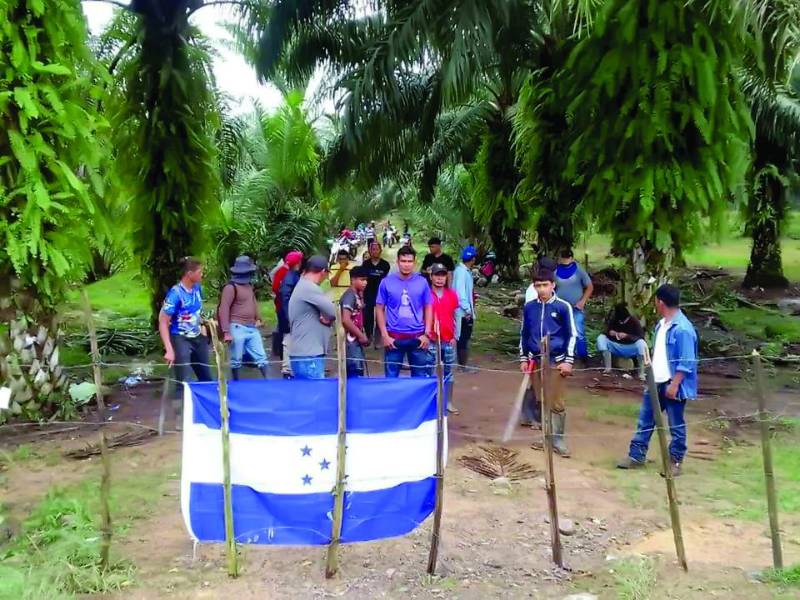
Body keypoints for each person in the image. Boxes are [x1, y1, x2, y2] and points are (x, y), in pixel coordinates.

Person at [617, 285, 698, 477]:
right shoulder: (661, 325)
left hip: (672, 384)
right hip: (656, 381)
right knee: (645, 420)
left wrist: (675, 384)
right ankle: (636, 455)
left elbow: (687, 361)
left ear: (660, 302)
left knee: (676, 424)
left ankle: (675, 461)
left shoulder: (683, 329)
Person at [519, 269, 576, 457]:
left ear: (552, 285)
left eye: (545, 285)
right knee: (541, 399)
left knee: (557, 402)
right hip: (535, 360)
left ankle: (557, 439)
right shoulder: (529, 307)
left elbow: (572, 334)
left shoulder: (562, 307)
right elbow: (524, 333)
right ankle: (546, 436)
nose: (542, 289)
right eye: (538, 286)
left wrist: (568, 361)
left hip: (556, 361)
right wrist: (524, 357)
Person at [159, 257, 213, 428]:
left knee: (206, 375)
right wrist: (169, 349)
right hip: (180, 337)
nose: (202, 274)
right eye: (199, 272)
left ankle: (208, 412)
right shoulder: (175, 294)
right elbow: (162, 321)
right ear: (190, 274)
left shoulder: (197, 289)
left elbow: (195, 312)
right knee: (184, 379)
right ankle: (182, 418)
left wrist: (204, 325)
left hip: (197, 337)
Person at [376, 245, 433, 377]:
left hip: (418, 338)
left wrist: (427, 333)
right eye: (403, 261)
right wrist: (384, 335)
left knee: (419, 378)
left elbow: (428, 307)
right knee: (391, 378)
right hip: (393, 339)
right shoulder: (386, 282)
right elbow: (379, 309)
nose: (406, 265)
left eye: (409, 261)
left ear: (415, 263)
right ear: (397, 262)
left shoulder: (422, 282)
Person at [218, 256, 268, 379]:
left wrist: (258, 317)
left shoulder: (248, 286)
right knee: (236, 358)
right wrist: (226, 332)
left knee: (261, 357)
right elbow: (223, 309)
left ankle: (269, 382)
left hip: (251, 327)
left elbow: (252, 302)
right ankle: (236, 382)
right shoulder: (230, 288)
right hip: (237, 326)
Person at [288, 255, 337, 380]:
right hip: (309, 355)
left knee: (304, 394)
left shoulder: (302, 285)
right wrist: (329, 318)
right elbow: (334, 311)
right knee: (314, 395)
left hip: (304, 353)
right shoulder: (309, 288)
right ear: (322, 272)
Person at [429, 263, 460, 413]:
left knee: (448, 371)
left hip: (448, 338)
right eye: (437, 275)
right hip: (431, 338)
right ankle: (430, 402)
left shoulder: (452, 294)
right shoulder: (426, 294)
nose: (440, 279)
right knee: (429, 370)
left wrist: (456, 335)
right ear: (431, 276)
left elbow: (456, 315)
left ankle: (448, 402)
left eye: (442, 275)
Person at [554, 249, 593, 359]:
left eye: (568, 257)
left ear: (572, 258)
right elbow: (552, 287)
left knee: (578, 332)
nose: (566, 260)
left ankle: (582, 356)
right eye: (564, 257)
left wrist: (583, 301)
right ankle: (564, 355)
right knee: (561, 330)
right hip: (561, 307)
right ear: (560, 258)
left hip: (576, 307)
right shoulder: (555, 272)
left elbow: (589, 287)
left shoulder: (579, 270)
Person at [597, 303, 647, 380]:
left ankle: (641, 372)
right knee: (601, 338)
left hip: (631, 347)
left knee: (641, 344)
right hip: (616, 346)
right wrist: (611, 333)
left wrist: (627, 336)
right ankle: (608, 368)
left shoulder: (634, 321)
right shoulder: (614, 320)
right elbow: (606, 332)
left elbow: (640, 336)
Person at [271, 250, 303, 360]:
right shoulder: (285, 273)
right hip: (283, 306)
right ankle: (283, 356)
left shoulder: (286, 272)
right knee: (286, 332)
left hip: (283, 305)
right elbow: (276, 288)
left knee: (283, 330)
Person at [340, 265, 370, 377]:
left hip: (355, 340)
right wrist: (361, 336)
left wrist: (361, 296)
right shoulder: (349, 296)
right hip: (350, 341)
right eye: (362, 280)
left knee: (359, 369)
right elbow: (346, 320)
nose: (365, 283)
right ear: (352, 279)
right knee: (355, 371)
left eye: (366, 280)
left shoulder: (357, 294)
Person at [278, 254, 303, 378]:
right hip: (290, 316)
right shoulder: (291, 277)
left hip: (290, 314)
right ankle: (287, 369)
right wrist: (289, 317)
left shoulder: (292, 276)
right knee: (288, 342)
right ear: (298, 263)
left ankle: (290, 368)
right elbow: (285, 297)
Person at [453, 245, 477, 370]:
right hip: (463, 312)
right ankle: (462, 365)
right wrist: (467, 309)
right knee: (462, 338)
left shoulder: (462, 271)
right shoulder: (462, 272)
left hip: (464, 310)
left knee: (464, 337)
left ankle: (463, 364)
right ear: (473, 259)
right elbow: (460, 293)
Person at [363, 242, 391, 346]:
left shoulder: (385, 265)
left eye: (376, 249)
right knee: (367, 316)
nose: (375, 251)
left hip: (381, 293)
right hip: (368, 293)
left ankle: (378, 338)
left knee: (380, 316)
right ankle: (369, 335)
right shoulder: (365, 264)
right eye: (372, 249)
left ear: (380, 250)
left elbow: (387, 280)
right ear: (370, 251)